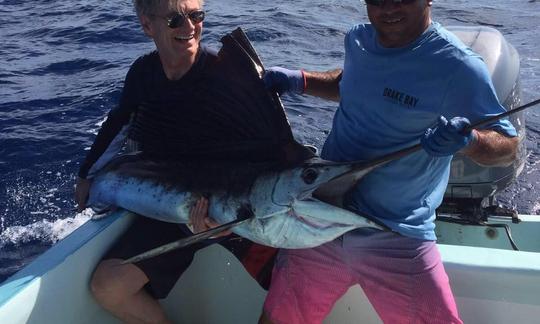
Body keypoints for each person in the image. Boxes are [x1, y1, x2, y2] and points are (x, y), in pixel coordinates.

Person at [260, 0, 518, 323]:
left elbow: (508, 146)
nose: (389, 7)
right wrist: (301, 80)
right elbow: (352, 83)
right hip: (322, 220)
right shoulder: (358, 41)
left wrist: (470, 141)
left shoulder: (458, 66)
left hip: (396, 235)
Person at [74, 0, 276, 323]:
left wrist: (222, 224)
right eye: (175, 20)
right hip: (175, 210)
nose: (189, 27)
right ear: (146, 25)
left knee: (293, 280)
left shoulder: (225, 74)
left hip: (235, 209)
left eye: (197, 16)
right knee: (108, 285)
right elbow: (118, 121)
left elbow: (263, 152)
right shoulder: (143, 73)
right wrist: (85, 174)